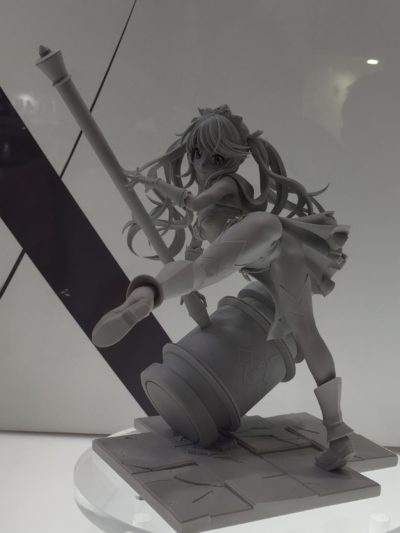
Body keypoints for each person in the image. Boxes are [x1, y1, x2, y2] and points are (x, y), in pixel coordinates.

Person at [92, 105, 354, 471]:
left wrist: (153, 184)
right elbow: (192, 257)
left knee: (294, 328)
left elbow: (194, 203)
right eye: (197, 153)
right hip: (274, 257)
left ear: (236, 156)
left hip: (266, 234)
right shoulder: (203, 221)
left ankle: (145, 297)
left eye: (216, 157)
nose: (203, 163)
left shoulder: (229, 184)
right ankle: (339, 437)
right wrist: (191, 299)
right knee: (303, 332)